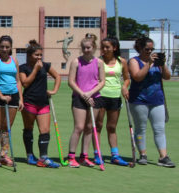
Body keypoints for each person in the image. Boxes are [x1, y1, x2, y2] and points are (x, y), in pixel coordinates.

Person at [128, 35, 173, 167]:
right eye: (147, 49)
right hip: (139, 100)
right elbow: (137, 77)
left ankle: (163, 156)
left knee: (159, 128)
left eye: (152, 49)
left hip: (157, 100)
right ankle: (142, 154)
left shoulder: (157, 63)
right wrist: (149, 63)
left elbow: (168, 76)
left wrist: (162, 64)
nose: (150, 51)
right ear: (140, 49)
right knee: (140, 128)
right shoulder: (134, 61)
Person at [17, 40, 62, 168]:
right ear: (29, 55)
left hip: (43, 103)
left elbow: (57, 76)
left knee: (45, 130)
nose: (39, 57)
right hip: (29, 102)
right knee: (29, 129)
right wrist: (36, 69)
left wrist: (54, 90)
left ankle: (43, 157)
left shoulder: (46, 65)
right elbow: (25, 83)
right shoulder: (23, 68)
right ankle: (30, 155)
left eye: (40, 55)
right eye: (36, 55)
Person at [66, 34, 106, 168]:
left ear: (94, 47)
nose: (86, 50)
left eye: (88, 47)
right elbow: (71, 82)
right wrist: (83, 94)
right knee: (79, 127)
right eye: (84, 48)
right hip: (79, 97)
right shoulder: (76, 62)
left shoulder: (99, 63)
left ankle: (84, 156)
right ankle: (71, 157)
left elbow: (102, 82)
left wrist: (90, 93)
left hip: (94, 98)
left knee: (89, 128)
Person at [96, 35, 131, 166]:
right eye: (102, 47)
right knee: (98, 126)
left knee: (111, 127)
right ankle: (97, 153)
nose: (104, 49)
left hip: (115, 97)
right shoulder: (98, 61)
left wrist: (124, 87)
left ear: (114, 48)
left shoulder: (122, 61)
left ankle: (115, 155)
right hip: (100, 96)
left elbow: (127, 78)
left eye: (107, 47)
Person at [0, 35, 21, 167]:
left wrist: (21, 99)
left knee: (7, 127)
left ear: (11, 48)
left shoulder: (15, 61)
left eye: (7, 47)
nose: (4, 49)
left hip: (13, 95)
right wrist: (1, 95)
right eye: (2, 46)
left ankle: (4, 154)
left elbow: (18, 80)